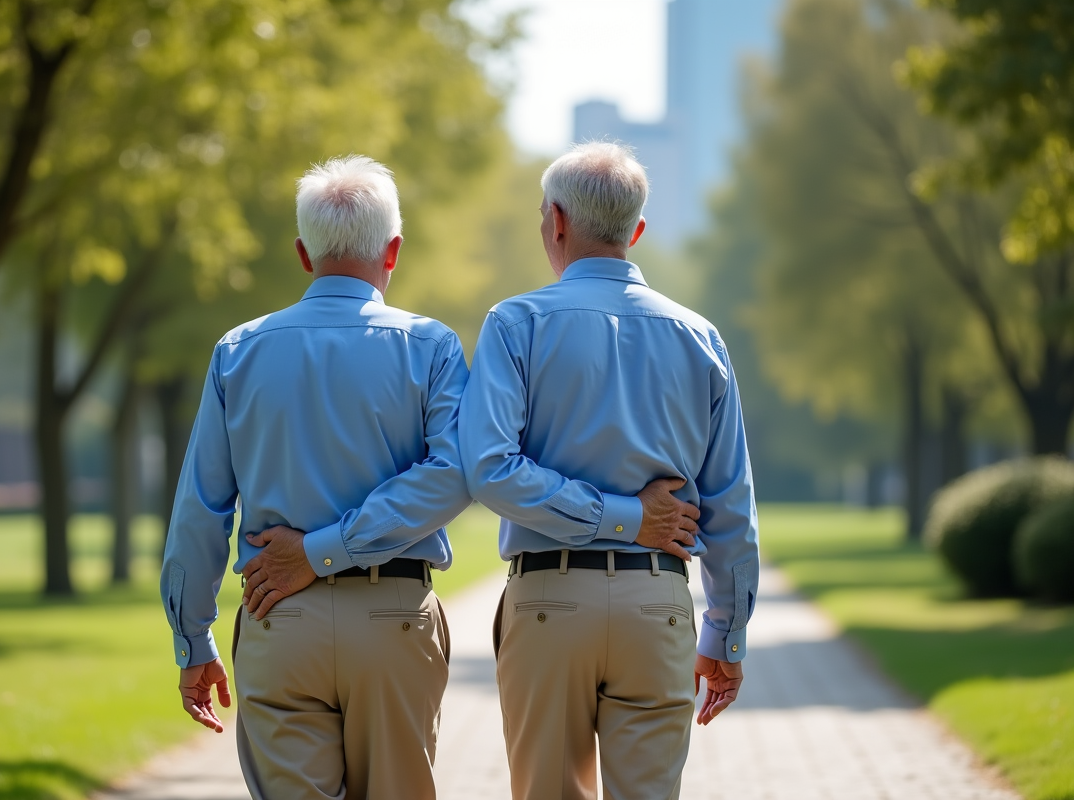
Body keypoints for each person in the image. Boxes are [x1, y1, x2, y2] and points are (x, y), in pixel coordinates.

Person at [160, 155, 472, 799]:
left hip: (281, 618)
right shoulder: (432, 347)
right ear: (394, 251)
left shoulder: (238, 351)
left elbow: (201, 508)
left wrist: (193, 639)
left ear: (304, 254)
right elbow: (453, 475)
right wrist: (332, 550)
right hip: (394, 619)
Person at [459, 141, 759, 800]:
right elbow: (732, 501)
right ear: (636, 231)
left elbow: (488, 470)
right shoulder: (700, 337)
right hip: (658, 605)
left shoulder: (515, 324)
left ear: (558, 221)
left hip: (548, 603)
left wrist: (615, 518)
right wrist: (726, 635)